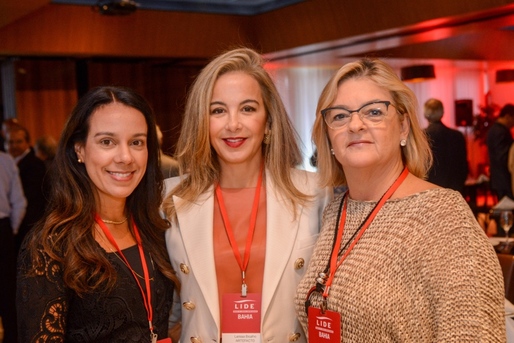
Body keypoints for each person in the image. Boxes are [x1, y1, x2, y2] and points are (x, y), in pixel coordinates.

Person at [295, 58, 505, 342]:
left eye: (373, 112)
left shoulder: (443, 217)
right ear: (328, 136)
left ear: (404, 127)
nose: (355, 124)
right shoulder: (336, 210)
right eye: (340, 116)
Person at [162, 47, 331, 343]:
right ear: (203, 122)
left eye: (248, 108)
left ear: (268, 122)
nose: (233, 124)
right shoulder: (168, 198)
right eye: (218, 110)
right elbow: (167, 308)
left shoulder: (315, 193)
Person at [17, 86, 179, 342]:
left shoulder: (155, 228)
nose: (125, 157)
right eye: (107, 142)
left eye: (136, 142)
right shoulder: (50, 246)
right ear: (79, 149)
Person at [4, 124, 48, 253]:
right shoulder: (6, 164)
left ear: (28, 143)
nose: (14, 146)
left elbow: (29, 196)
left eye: (19, 141)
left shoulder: (35, 164)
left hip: (29, 225)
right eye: (10, 142)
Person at [0, 151, 26, 343]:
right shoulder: (6, 159)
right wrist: (11, 230)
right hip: (3, 230)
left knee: (8, 288)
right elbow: (19, 203)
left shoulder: (6, 159)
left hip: (3, 228)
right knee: (7, 288)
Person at [423, 98, 468, 194]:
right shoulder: (457, 135)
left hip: (429, 190)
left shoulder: (421, 136)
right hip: (454, 189)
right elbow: (463, 166)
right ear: (442, 113)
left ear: (425, 115)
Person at [487, 103, 514, 200]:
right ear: (507, 116)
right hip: (504, 180)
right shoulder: (500, 131)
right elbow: (502, 157)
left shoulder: (495, 130)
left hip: (500, 179)